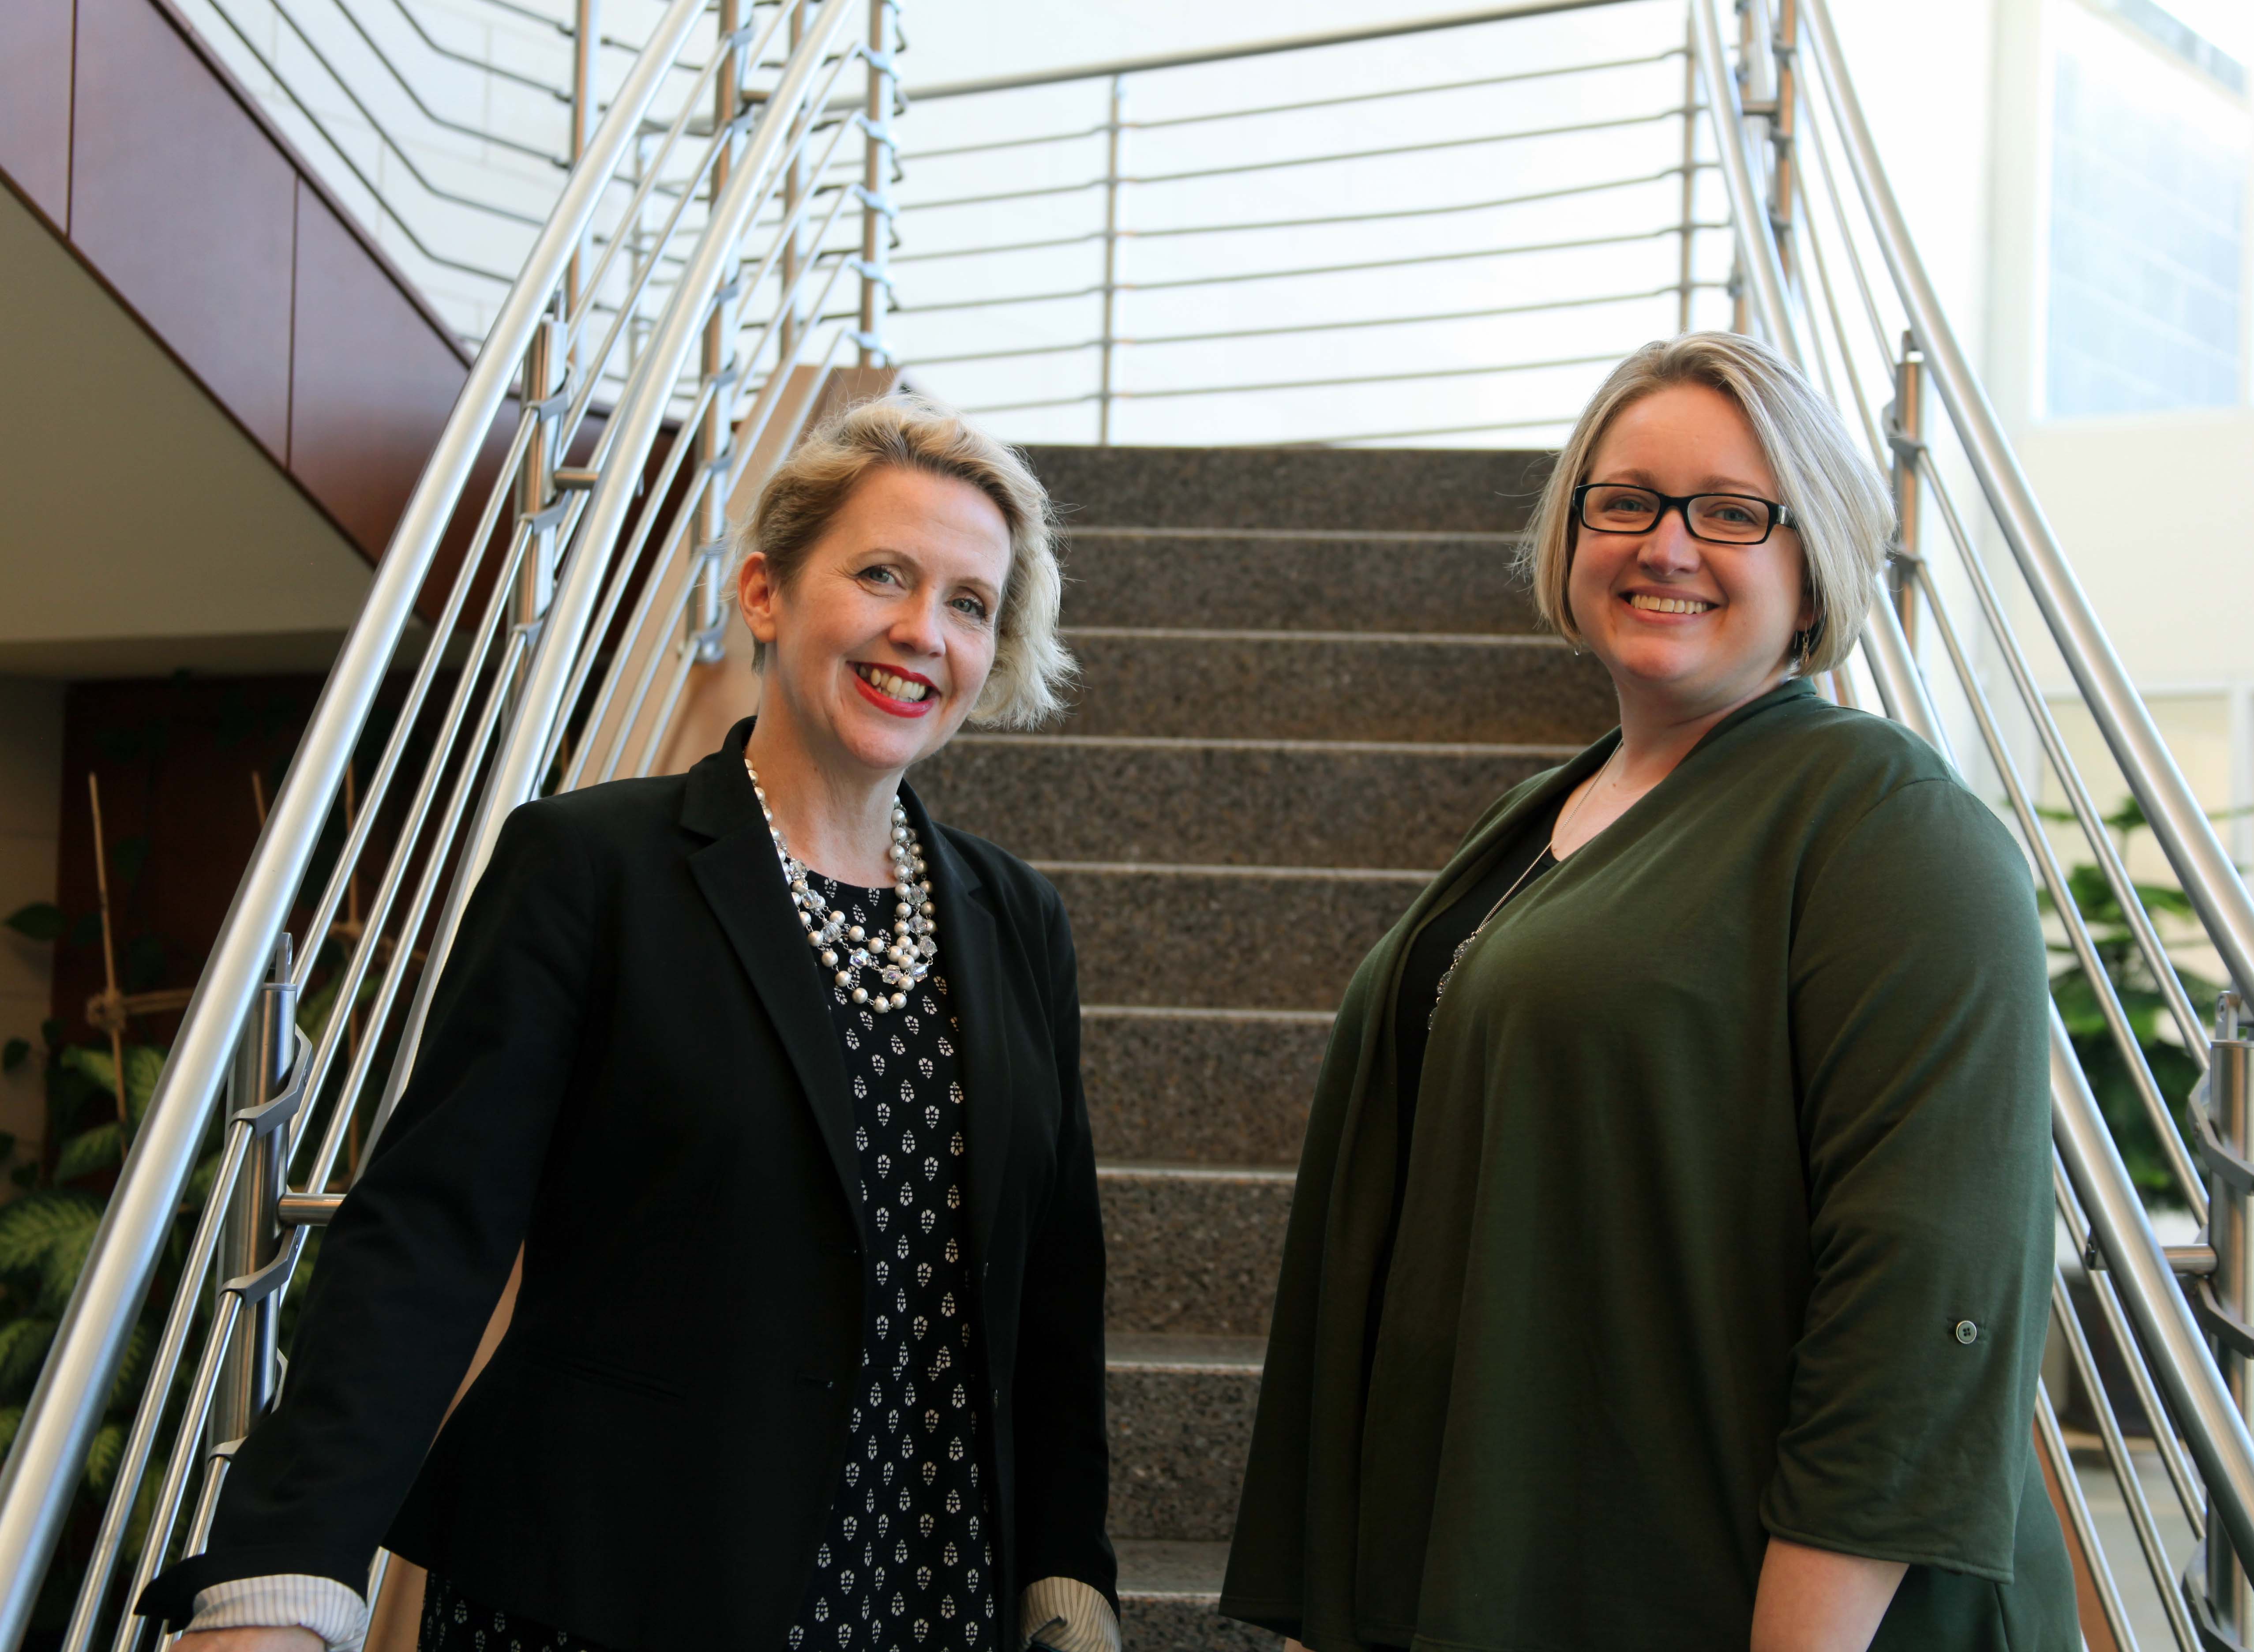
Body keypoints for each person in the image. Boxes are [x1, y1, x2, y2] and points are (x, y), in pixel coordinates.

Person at [140, 395, 1120, 1652]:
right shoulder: (590, 868)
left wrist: (1063, 1570)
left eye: (970, 603)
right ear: (765, 592)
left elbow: (1053, 1282)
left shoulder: (1015, 920)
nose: (922, 632)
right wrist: (286, 1578)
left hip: (926, 1597)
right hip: (611, 1595)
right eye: (883, 574)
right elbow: (428, 1236)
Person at [1219, 333, 2074, 1652]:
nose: (1666, 546)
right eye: (1623, 502)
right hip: (1530, 1558)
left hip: (1770, 1603)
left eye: (1731, 512)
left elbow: (1928, 1292)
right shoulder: (1541, 816)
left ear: (1815, 560)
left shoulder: (1888, 826)